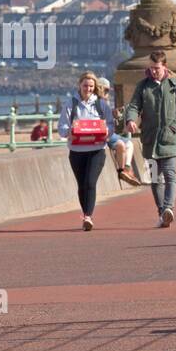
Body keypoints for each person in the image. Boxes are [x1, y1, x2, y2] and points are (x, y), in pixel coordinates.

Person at [124, 50, 176, 228]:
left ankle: (169, 208)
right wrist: (131, 120)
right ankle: (162, 212)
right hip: (150, 140)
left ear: (165, 67)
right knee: (155, 179)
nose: (154, 71)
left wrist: (173, 127)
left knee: (170, 175)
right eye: (151, 68)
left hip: (169, 140)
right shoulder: (143, 86)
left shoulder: (175, 85)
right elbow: (134, 106)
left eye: (157, 68)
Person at [58, 71, 116, 231]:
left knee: (90, 182)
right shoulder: (71, 104)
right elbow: (61, 127)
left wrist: (106, 132)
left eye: (91, 86)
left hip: (97, 150)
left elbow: (111, 125)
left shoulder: (101, 104)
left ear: (95, 87)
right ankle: (85, 214)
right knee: (82, 185)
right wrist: (69, 132)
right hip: (76, 151)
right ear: (79, 85)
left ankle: (88, 216)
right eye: (85, 85)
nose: (88, 89)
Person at [97, 76, 141, 186]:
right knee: (121, 144)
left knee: (130, 144)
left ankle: (126, 168)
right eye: (106, 90)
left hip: (109, 132)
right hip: (103, 133)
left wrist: (114, 115)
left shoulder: (104, 102)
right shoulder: (97, 102)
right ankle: (122, 171)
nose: (107, 93)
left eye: (108, 91)